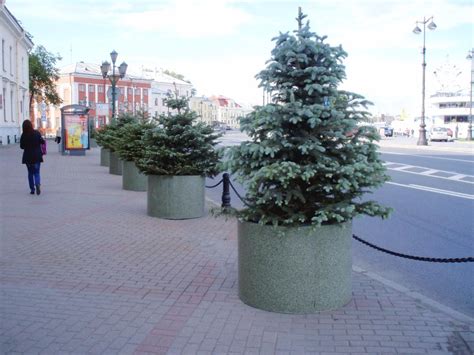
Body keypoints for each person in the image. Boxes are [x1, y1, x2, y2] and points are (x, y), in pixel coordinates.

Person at [20, 120, 45, 195]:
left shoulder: (23, 135)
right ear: (31, 125)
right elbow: (42, 142)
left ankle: (32, 190)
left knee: (30, 173)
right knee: (37, 172)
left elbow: (21, 146)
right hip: (37, 156)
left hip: (28, 157)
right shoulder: (36, 133)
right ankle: (37, 184)